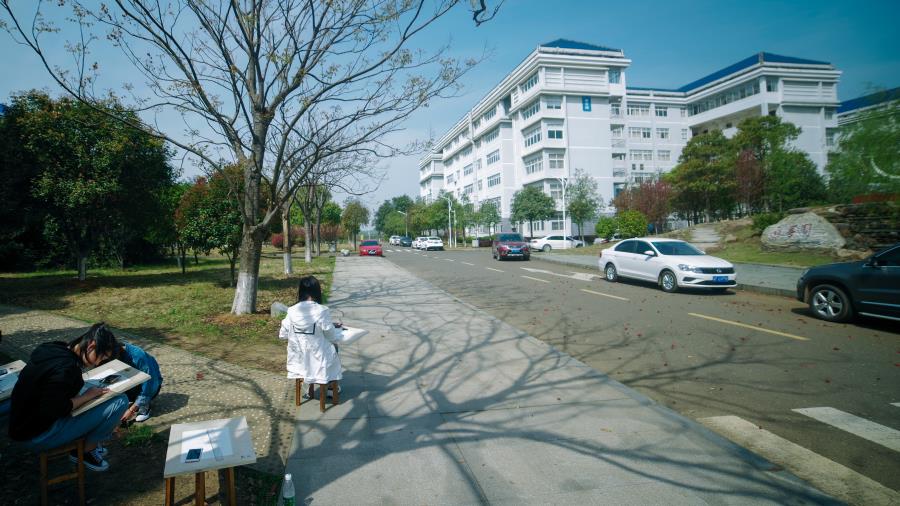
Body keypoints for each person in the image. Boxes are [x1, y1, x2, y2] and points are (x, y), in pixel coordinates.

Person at [8, 323, 128, 472]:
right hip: (37, 436)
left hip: (20, 425)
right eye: (101, 356)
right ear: (91, 346)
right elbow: (57, 409)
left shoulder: (53, 348)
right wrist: (87, 396)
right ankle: (86, 453)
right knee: (120, 401)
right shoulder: (67, 369)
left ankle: (87, 447)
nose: (99, 362)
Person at [279, 276, 349, 398]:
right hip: (318, 358)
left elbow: (283, 334)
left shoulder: (292, 310)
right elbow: (331, 335)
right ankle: (331, 388)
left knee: (321, 349)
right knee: (334, 347)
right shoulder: (322, 310)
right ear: (317, 291)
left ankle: (308, 386)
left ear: (300, 290)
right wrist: (332, 328)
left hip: (298, 358)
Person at [116, 342, 163, 423]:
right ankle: (134, 401)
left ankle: (145, 407)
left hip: (152, 385)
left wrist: (131, 410)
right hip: (133, 380)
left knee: (146, 389)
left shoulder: (138, 356)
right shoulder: (117, 354)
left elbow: (149, 385)